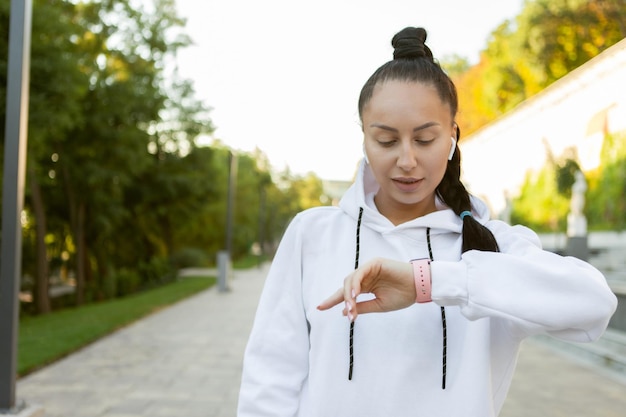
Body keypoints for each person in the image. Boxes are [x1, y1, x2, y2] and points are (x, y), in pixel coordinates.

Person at [237, 27, 617, 417]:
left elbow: (594, 305)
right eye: (386, 140)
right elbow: (270, 377)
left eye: (424, 139)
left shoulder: (490, 245)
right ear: (365, 140)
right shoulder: (312, 233)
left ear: (452, 137)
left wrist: (431, 281)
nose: (406, 161)